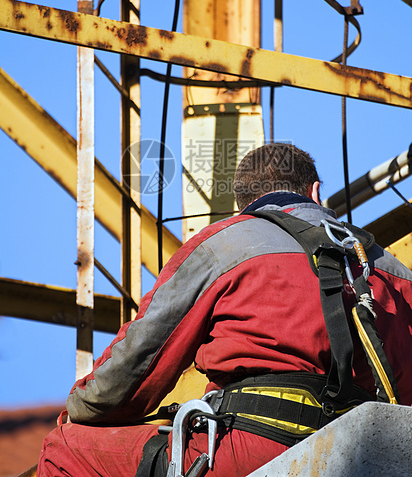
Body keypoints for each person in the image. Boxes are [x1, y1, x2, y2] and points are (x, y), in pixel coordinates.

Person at [37, 143, 412, 476]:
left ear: (243, 205)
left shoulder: (224, 243)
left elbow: (137, 367)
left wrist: (80, 407)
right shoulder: (392, 269)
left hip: (246, 449)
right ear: (315, 192)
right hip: (365, 449)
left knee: (63, 448)